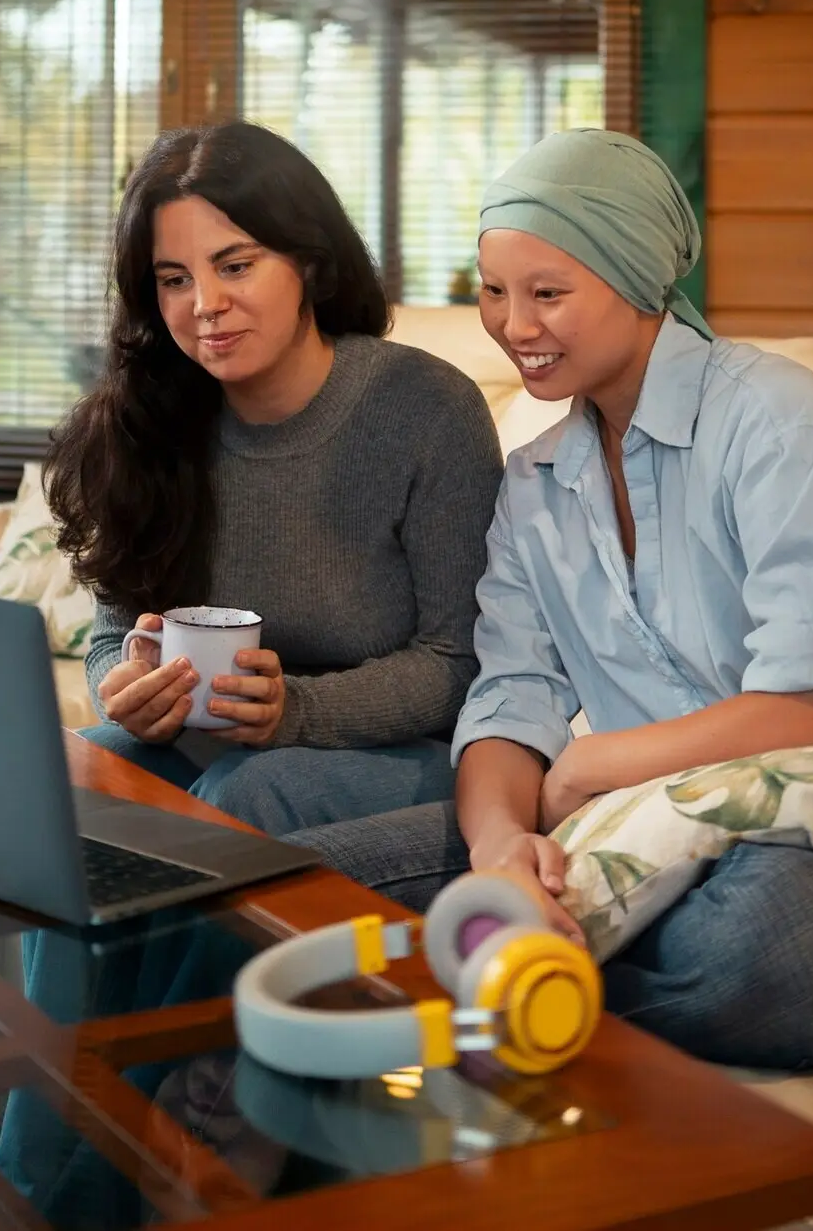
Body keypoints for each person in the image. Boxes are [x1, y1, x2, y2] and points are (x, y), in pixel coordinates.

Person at [286, 128, 813, 1071]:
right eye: (494, 291)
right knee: (299, 880)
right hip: (636, 840)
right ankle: (516, 976)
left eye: (548, 293)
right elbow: (510, 696)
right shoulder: (534, 482)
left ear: (638, 279)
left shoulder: (774, 417)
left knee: (767, 945)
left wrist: (590, 768)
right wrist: (502, 850)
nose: (513, 325)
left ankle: (494, 995)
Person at [45, 121, 502, 834]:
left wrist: (296, 709)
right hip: (221, 749)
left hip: (412, 755)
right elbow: (115, 637)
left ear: (309, 264)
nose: (204, 303)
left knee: (251, 791)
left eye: (235, 265)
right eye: (174, 279)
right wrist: (127, 693)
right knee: (76, 775)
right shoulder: (145, 421)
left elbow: (460, 661)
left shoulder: (428, 409)